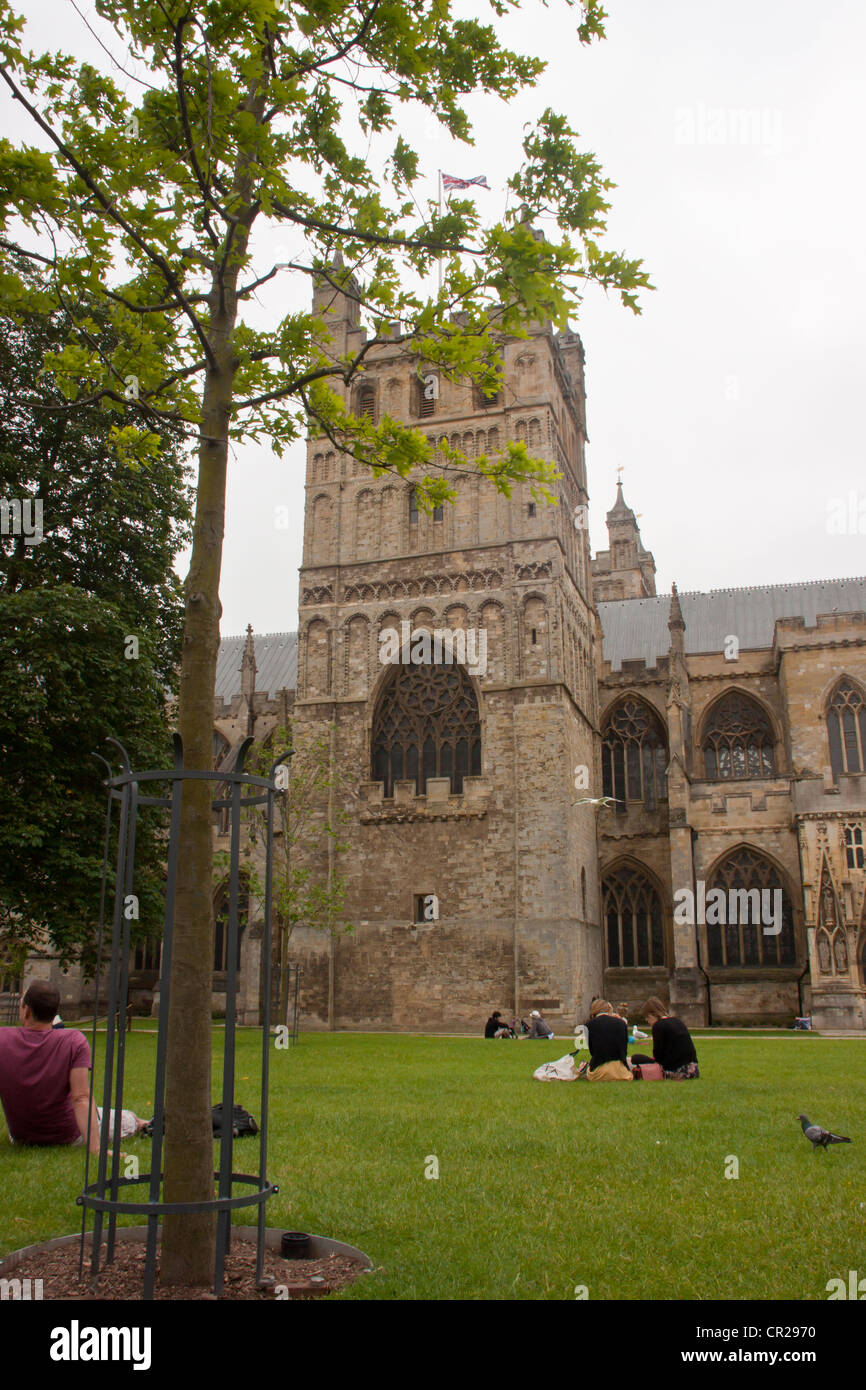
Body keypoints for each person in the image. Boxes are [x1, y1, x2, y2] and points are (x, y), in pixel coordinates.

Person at [0, 981, 101, 1152]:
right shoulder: (74, 1041)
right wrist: (96, 1148)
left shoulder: (3, 1039)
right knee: (126, 1119)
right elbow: (81, 1098)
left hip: (21, 1135)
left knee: (100, 1112)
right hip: (68, 1135)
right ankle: (143, 1123)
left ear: (27, 1011)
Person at [632, 996, 699, 1080]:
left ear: (652, 1014)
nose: (646, 1020)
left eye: (647, 1017)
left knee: (636, 1058)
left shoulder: (658, 1026)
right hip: (693, 1070)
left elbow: (658, 1055)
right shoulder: (678, 1021)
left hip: (676, 1071)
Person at [579, 999, 632, 1081]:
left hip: (598, 1071)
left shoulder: (588, 1025)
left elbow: (592, 1051)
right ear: (609, 1009)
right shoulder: (621, 1023)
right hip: (621, 1072)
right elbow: (624, 1050)